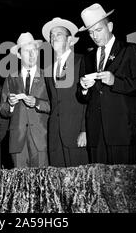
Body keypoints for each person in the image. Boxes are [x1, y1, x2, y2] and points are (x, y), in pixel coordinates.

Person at [78, 3, 136, 165]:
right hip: (96, 132)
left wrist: (114, 81)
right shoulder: (87, 58)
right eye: (90, 33)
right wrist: (83, 89)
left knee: (122, 184)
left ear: (109, 26)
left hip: (122, 131)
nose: (95, 36)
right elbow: (83, 98)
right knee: (99, 185)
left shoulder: (129, 50)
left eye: (99, 30)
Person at [42, 18, 89, 167]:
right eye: (51, 35)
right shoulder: (48, 70)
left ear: (70, 40)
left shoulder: (82, 61)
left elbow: (89, 98)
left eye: (58, 34)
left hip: (76, 133)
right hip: (55, 136)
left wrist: (85, 129)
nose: (53, 38)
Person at [0, 33, 50, 168]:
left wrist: (37, 103)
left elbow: (53, 106)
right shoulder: (11, 78)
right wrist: (10, 105)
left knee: (42, 183)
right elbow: (2, 109)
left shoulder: (47, 77)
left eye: (34, 50)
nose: (32, 54)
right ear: (19, 55)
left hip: (41, 140)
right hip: (18, 140)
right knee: (19, 185)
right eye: (27, 51)